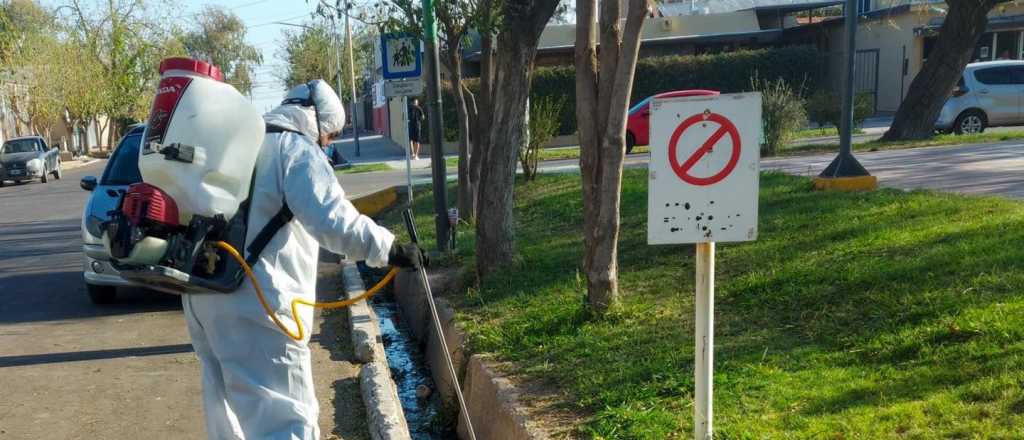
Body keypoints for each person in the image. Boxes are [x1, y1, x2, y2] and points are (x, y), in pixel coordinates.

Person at [183, 79, 425, 440]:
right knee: (287, 419)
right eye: (329, 136)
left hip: (204, 294)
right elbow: (332, 220)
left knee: (230, 416)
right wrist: (390, 249)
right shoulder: (292, 147)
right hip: (258, 303)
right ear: (316, 121)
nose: (327, 145)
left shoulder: (239, 143)